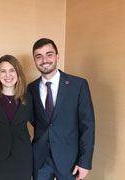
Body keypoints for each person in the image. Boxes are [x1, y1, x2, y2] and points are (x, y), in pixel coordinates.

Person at [28, 38, 95, 180]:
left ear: (57, 56)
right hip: (40, 160)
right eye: (38, 56)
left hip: (70, 160)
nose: (44, 60)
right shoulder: (31, 88)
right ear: (34, 60)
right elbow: (35, 119)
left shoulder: (78, 85)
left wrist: (85, 162)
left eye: (49, 54)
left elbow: (88, 125)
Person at [0, 55, 33, 180]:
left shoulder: (29, 95)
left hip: (22, 157)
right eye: (3, 71)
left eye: (12, 70)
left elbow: (40, 122)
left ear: (18, 73)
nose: (7, 75)